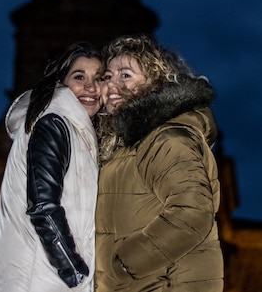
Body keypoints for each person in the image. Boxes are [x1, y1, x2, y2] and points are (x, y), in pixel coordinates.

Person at [94, 34, 224, 292]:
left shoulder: (166, 138)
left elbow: (192, 214)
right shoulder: (129, 145)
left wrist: (123, 264)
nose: (111, 85)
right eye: (108, 76)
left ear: (154, 82)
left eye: (126, 75)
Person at [0, 42, 103, 292]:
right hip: (38, 279)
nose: (90, 87)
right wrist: (75, 273)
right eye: (79, 77)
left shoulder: (72, 129)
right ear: (61, 82)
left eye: (98, 78)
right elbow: (43, 205)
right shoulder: (55, 124)